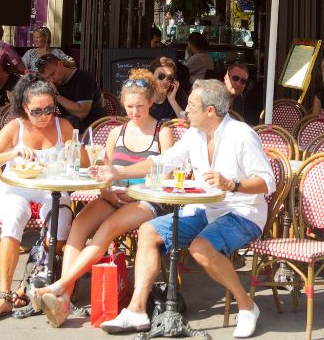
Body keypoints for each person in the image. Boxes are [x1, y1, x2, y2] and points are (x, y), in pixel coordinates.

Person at [99, 79, 274, 338]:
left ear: (210, 111)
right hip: (205, 207)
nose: (185, 111)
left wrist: (232, 184)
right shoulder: (195, 134)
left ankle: (247, 306)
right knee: (149, 231)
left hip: (241, 212)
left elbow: (266, 182)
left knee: (200, 248)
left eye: (191, 105)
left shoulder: (241, 135)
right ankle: (136, 310)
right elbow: (162, 162)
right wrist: (118, 171)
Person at [28, 74, 175, 327]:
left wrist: (130, 193)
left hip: (146, 199)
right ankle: (66, 295)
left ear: (151, 101)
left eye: (140, 106)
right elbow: (103, 170)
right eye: (129, 107)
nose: (134, 111)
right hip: (113, 195)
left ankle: (60, 285)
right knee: (79, 223)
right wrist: (107, 192)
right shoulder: (116, 132)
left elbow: (168, 174)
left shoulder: (163, 131)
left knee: (106, 229)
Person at [0, 77, 81, 323]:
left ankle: (28, 281)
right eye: (37, 111)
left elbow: (83, 163)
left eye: (49, 109)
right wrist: (12, 152)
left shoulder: (62, 126)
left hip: (52, 188)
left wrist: (75, 151)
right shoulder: (16, 127)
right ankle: (4, 295)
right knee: (12, 220)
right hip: (18, 186)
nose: (44, 116)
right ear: (24, 107)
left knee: (61, 220)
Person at [39, 53, 106, 132]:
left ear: (60, 64)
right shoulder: (54, 83)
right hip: (66, 128)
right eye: (47, 78)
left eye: (52, 74)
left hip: (91, 131)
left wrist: (56, 96)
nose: (52, 80)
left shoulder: (83, 78)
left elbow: (82, 112)